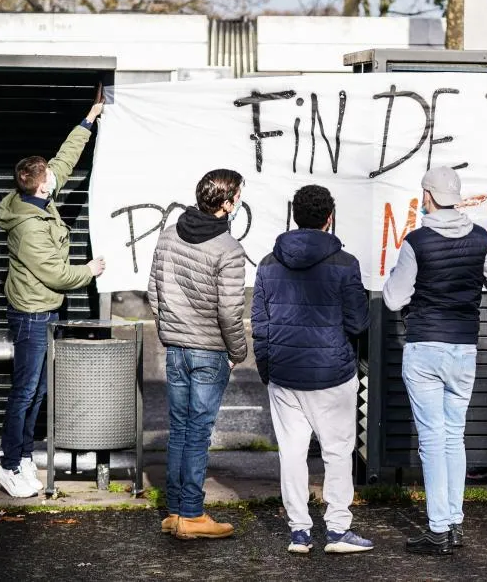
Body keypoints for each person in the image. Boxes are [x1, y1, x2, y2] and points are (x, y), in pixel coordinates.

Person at [383, 166, 487, 555]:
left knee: (431, 438)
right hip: (464, 348)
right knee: (453, 435)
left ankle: (438, 528)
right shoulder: (480, 239)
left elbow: (393, 299)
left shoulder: (417, 242)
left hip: (425, 346)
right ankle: (454, 523)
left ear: (427, 196)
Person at [251, 184, 373, 555]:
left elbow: (260, 323)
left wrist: (267, 370)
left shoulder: (269, 264)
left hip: (285, 374)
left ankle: (299, 532)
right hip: (332, 373)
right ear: (329, 218)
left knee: (291, 452)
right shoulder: (345, 264)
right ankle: (337, 530)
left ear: (295, 215)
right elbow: (357, 323)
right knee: (337, 452)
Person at [0, 99, 107, 499]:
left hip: (48, 310)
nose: (54, 180)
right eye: (49, 179)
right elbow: (56, 274)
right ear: (40, 187)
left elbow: (64, 160)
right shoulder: (28, 227)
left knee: (39, 390)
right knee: (25, 390)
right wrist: (90, 271)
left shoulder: (37, 196)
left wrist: (88, 122)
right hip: (32, 315)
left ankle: (24, 455)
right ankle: (9, 465)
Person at [148, 169, 248, 538]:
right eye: (237, 197)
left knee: (179, 429)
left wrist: (170, 331)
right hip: (209, 351)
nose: (239, 202)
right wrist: (238, 349)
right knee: (198, 433)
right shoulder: (229, 249)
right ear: (225, 204)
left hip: (176, 348)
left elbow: (154, 294)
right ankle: (191, 515)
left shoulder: (169, 235)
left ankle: (174, 511)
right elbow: (229, 311)